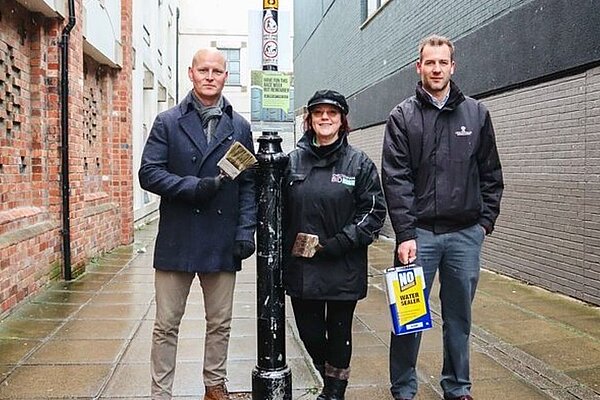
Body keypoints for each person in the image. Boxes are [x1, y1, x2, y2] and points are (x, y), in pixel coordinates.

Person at [381, 35, 504, 400]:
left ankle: (457, 386)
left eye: (443, 62)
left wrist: (483, 225)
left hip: (465, 235)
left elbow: (491, 175)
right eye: (429, 63)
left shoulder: (477, 114)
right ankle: (403, 388)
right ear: (418, 67)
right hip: (418, 237)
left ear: (453, 66)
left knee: (459, 321)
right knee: (408, 320)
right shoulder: (402, 117)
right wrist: (405, 234)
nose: (436, 69)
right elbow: (396, 178)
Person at [138, 48, 256, 400]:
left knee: (220, 322)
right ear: (190, 73)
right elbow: (149, 173)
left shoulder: (240, 127)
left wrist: (245, 231)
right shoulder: (167, 121)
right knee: (165, 325)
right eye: (203, 69)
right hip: (178, 236)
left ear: (225, 76)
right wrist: (194, 187)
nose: (209, 76)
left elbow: (248, 183)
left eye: (217, 71)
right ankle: (161, 393)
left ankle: (214, 386)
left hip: (221, 238)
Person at [283, 89, 387, 400]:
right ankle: (327, 377)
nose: (325, 118)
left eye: (332, 113)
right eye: (318, 113)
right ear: (310, 120)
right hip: (303, 268)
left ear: (342, 120)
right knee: (310, 333)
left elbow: (373, 210)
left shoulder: (359, 164)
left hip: (343, 264)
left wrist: (340, 242)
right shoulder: (291, 162)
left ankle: (334, 392)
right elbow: (277, 210)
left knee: (340, 331)